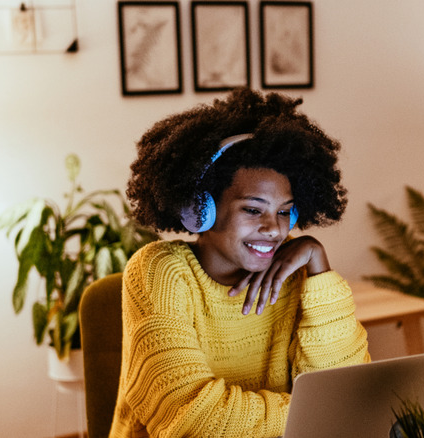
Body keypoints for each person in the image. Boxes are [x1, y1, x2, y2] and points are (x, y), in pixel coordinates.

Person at [110, 88, 371, 438]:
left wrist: (318, 266)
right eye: (253, 209)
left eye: (283, 211)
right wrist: (316, 413)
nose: (274, 228)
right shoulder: (161, 271)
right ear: (200, 209)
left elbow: (348, 390)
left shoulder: (294, 272)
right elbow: (192, 423)